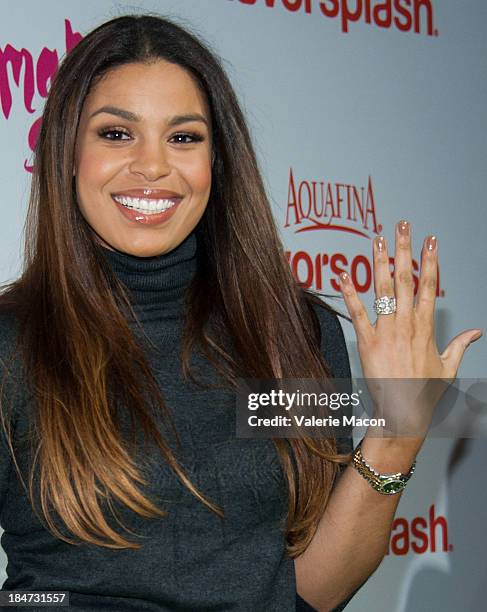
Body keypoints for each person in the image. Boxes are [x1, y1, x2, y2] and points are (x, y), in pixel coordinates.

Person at [0, 13, 481, 612]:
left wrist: (399, 431)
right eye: (117, 134)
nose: (152, 166)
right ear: (67, 153)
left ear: (216, 163)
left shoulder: (293, 333)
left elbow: (313, 589)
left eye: (184, 138)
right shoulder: (12, 344)